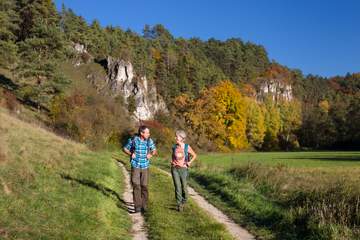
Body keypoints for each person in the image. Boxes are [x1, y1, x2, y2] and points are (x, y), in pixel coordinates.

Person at [123, 125, 156, 213]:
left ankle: (144, 205)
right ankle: (137, 206)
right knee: (136, 185)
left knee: (144, 186)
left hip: (145, 166)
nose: (149, 134)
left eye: (149, 132)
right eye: (147, 132)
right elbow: (125, 148)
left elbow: (154, 150)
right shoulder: (133, 140)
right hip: (135, 165)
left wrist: (151, 154)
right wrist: (130, 154)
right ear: (141, 133)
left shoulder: (149, 140)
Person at [171, 130, 197, 212]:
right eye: (175, 136)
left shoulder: (186, 147)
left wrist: (189, 162)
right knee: (177, 187)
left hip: (183, 169)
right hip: (175, 169)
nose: (175, 137)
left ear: (182, 138)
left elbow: (194, 155)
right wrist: (172, 162)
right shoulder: (174, 147)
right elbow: (173, 157)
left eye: (177, 136)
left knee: (184, 188)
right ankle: (179, 204)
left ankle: (184, 200)